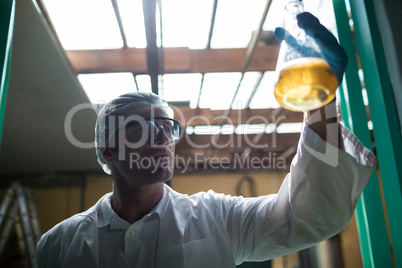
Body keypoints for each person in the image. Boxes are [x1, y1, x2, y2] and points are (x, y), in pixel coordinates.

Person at [36, 13, 377, 267]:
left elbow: (306, 216)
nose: (160, 137)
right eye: (139, 128)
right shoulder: (59, 245)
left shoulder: (217, 217)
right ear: (108, 150)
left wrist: (321, 106)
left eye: (167, 126)